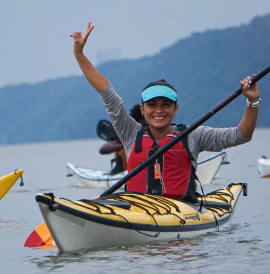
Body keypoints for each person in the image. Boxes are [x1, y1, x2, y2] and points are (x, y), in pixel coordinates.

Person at [70, 22, 260, 206]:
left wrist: (252, 102)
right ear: (143, 110)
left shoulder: (193, 135)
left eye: (166, 105)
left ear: (175, 109)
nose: (159, 110)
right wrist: (79, 54)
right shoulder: (129, 132)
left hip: (182, 213)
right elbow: (107, 93)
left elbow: (241, 135)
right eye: (152, 105)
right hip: (136, 211)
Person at [98, 104, 145, 175]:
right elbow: (103, 149)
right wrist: (129, 144)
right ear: (140, 121)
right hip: (125, 173)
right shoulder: (129, 135)